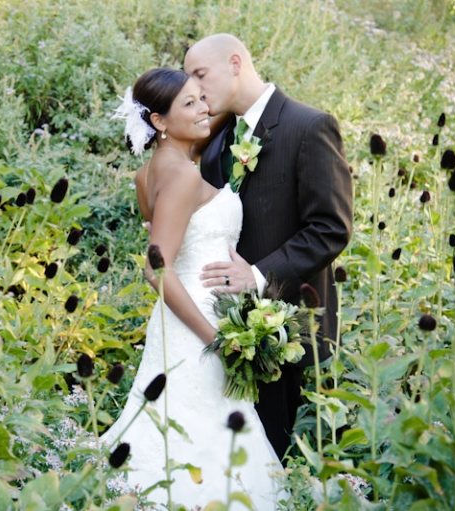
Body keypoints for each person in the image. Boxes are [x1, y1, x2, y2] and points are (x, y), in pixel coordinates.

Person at [102, 68, 283, 510]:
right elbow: (156, 269)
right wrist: (216, 340)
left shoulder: (150, 172)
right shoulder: (182, 176)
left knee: (171, 436)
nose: (204, 109)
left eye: (204, 98)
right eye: (189, 103)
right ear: (159, 122)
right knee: (203, 443)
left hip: (175, 324)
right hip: (198, 327)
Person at [183, 34, 353, 461]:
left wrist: (258, 276)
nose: (194, 88)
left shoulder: (309, 126)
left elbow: (330, 227)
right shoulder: (217, 143)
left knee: (278, 462)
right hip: (225, 332)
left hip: (287, 330)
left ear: (236, 63)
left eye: (200, 75)